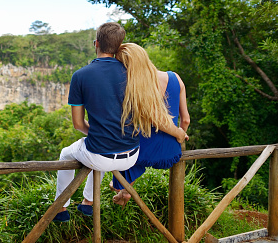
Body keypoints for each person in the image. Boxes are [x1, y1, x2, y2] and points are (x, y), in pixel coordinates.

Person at [52, 24, 187, 222]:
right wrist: (178, 132)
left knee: (68, 153)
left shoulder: (80, 75)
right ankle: (87, 203)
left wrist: (100, 133)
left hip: (102, 155)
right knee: (97, 151)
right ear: (119, 45)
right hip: (132, 154)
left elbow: (78, 124)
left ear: (96, 43)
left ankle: (60, 209)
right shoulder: (132, 73)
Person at [110, 43, 191, 207]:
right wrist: (180, 136)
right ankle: (124, 189)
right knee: (132, 152)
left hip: (145, 151)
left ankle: (121, 187)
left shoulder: (135, 86)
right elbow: (186, 120)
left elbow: (156, 120)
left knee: (120, 152)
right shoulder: (175, 78)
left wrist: (177, 133)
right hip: (172, 153)